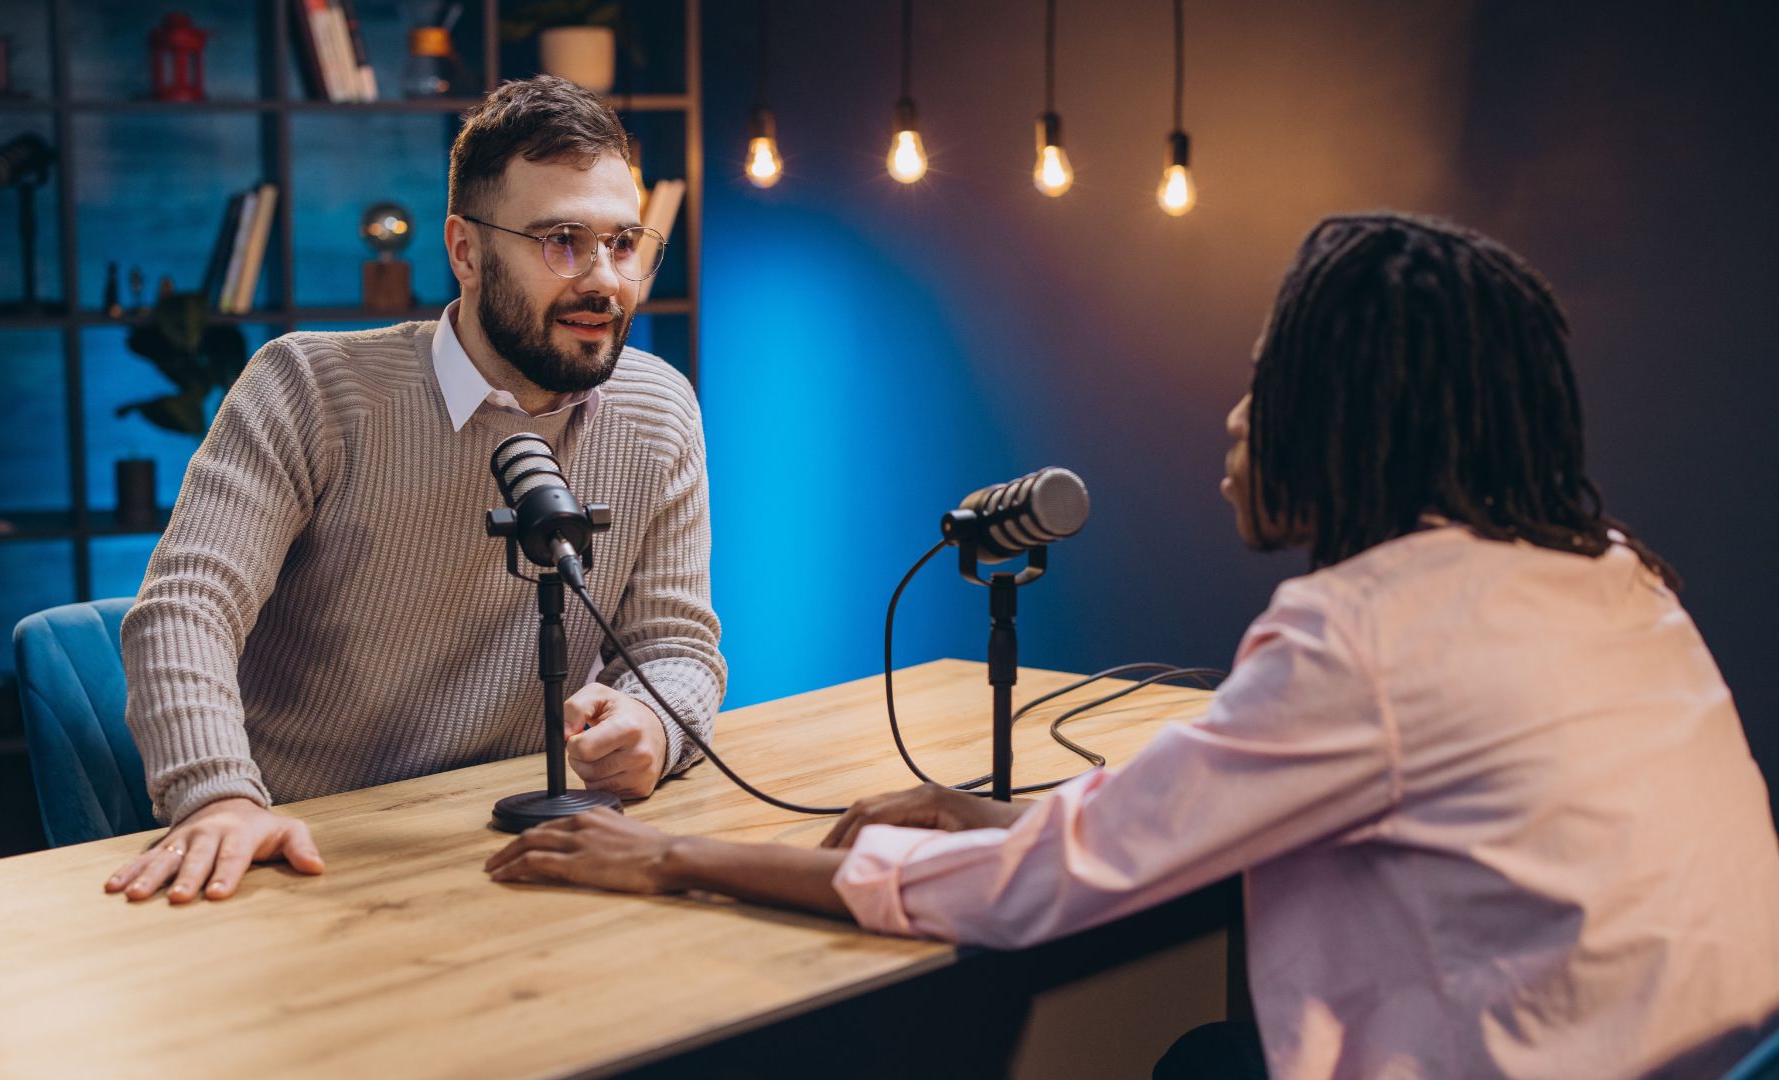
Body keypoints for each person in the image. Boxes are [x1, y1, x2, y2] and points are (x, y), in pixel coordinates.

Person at [485, 213, 1779, 1078]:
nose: (1233, 419)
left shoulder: (1370, 637)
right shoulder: (1609, 577)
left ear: (1346, 418)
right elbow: (1176, 810)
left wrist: (673, 860)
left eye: (1265, 383)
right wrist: (970, 808)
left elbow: (1037, 893)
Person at [106, 76, 724, 905]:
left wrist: (652, 721)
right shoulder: (311, 388)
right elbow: (186, 608)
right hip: (305, 852)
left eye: (623, 244)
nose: (605, 280)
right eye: (561, 242)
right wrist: (219, 795)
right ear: (465, 251)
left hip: (514, 846)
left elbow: (674, 647)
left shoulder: (658, 406)